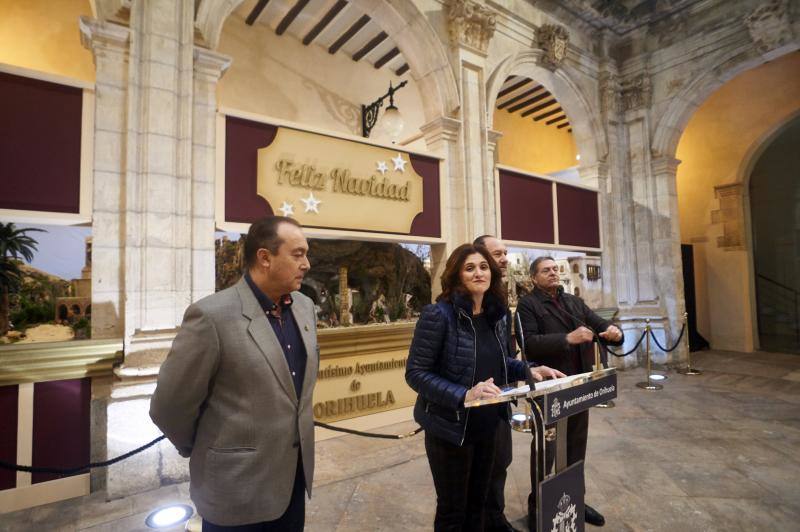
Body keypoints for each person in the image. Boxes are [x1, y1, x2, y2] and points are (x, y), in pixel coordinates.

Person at [150, 216, 317, 531]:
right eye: (297, 254)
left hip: (292, 484)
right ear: (264, 258)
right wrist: (199, 447)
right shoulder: (211, 316)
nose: (306, 263)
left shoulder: (305, 307)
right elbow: (169, 406)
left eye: (306, 253)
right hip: (236, 492)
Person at [406, 243, 563, 531]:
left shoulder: (494, 315)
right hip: (451, 429)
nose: (478, 273)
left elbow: (499, 361)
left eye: (482, 267)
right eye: (469, 268)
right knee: (454, 511)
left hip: (489, 423)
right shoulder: (438, 315)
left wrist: (528, 369)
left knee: (479, 503)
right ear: (456, 276)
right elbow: (416, 373)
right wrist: (464, 394)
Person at [515, 256, 623, 528]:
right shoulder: (528, 305)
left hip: (578, 387)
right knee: (546, 448)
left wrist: (614, 332)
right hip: (549, 387)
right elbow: (529, 344)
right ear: (534, 278)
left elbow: (600, 323)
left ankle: (576, 497)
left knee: (576, 444)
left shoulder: (573, 302)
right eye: (545, 270)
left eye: (555, 269)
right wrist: (567, 338)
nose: (553, 273)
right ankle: (537, 505)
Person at [473, 235, 518, 532]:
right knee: (479, 469)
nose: (503, 259)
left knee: (502, 459)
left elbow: (504, 348)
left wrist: (523, 370)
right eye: (497, 254)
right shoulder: (468, 304)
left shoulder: (499, 298)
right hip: (475, 400)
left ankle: (495, 517)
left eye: (505, 253)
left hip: (501, 394)